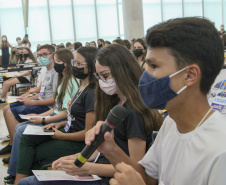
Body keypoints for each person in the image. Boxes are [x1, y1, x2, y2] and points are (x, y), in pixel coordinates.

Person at [85, 17, 226, 185]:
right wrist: (111, 149)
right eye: (145, 67)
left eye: (154, 67)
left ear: (189, 75)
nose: (144, 77)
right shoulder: (171, 124)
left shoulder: (219, 151)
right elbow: (148, 178)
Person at [17, 44, 162, 185]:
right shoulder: (114, 102)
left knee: (27, 183)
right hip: (97, 169)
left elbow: (135, 172)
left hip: (106, 178)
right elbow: (100, 151)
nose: (102, 82)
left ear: (122, 71)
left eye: (104, 75)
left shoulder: (133, 112)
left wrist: (87, 167)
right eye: (98, 76)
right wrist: (74, 159)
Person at [15, 47, 98, 184]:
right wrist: (60, 124)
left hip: (76, 143)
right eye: (74, 62)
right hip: (67, 130)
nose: (74, 66)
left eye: (79, 64)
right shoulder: (81, 87)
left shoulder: (91, 93)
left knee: (32, 152)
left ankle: (23, 180)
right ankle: (23, 180)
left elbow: (87, 133)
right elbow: (74, 116)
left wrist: (63, 135)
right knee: (27, 138)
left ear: (90, 65)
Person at [3, 48, 80, 184]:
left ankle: (17, 173)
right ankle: (17, 172)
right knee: (20, 126)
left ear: (67, 63)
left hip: (60, 120)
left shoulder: (72, 82)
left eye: (58, 61)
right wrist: (40, 116)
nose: (55, 63)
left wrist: (44, 119)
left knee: (21, 130)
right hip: (55, 115)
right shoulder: (63, 79)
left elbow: (65, 112)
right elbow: (56, 107)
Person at [0, 44, 58, 155]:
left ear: (53, 55)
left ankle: (17, 148)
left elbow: (54, 100)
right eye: (40, 55)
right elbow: (41, 92)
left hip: (46, 107)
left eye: (45, 54)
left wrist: (32, 102)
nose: (42, 57)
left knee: (11, 112)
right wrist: (27, 97)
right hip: (39, 101)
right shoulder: (46, 71)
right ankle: (12, 144)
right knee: (6, 109)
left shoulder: (55, 72)